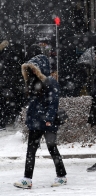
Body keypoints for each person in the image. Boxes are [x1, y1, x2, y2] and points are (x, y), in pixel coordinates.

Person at [13, 45, 67, 189]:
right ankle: (27, 179)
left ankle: (61, 176)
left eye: (32, 69)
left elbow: (53, 102)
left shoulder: (50, 82)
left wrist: (49, 118)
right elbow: (33, 104)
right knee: (31, 151)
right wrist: (29, 119)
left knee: (52, 148)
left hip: (47, 122)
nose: (30, 72)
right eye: (29, 69)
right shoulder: (33, 83)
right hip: (36, 122)